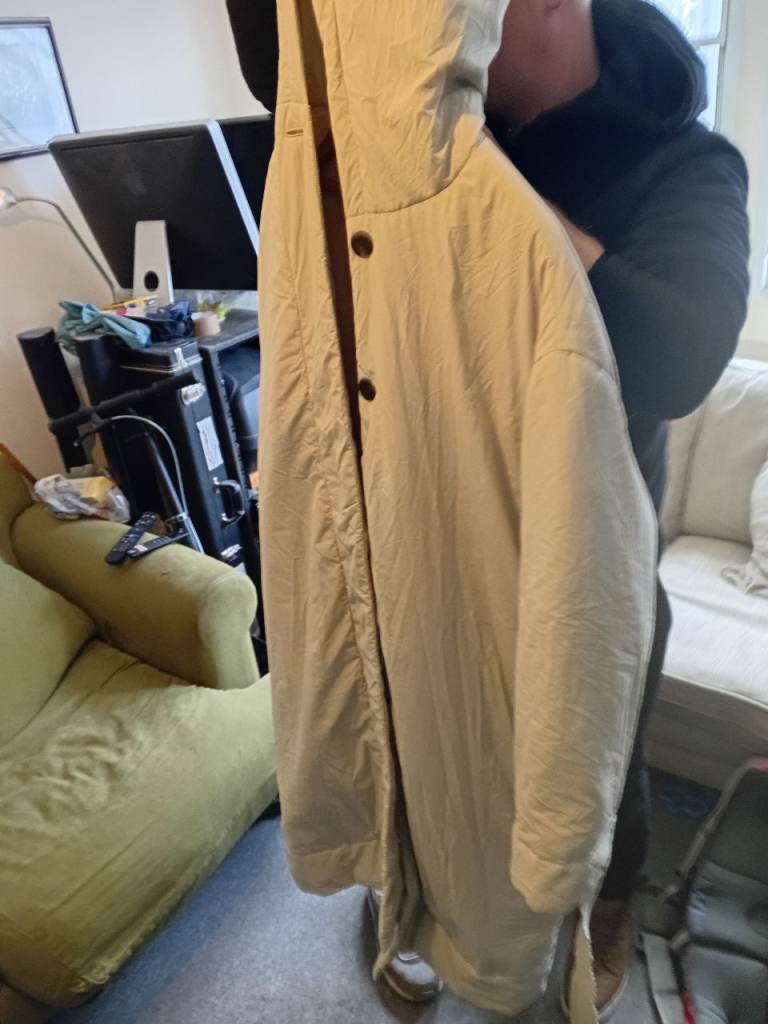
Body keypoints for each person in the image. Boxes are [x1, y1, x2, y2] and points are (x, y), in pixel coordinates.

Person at [226, 0, 750, 1017]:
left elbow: (680, 354)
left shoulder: (684, 163)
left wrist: (474, 190)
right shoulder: (419, 129)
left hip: (580, 556)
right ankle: (423, 901)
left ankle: (598, 914)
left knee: (591, 767)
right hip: (427, 519)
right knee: (430, 732)